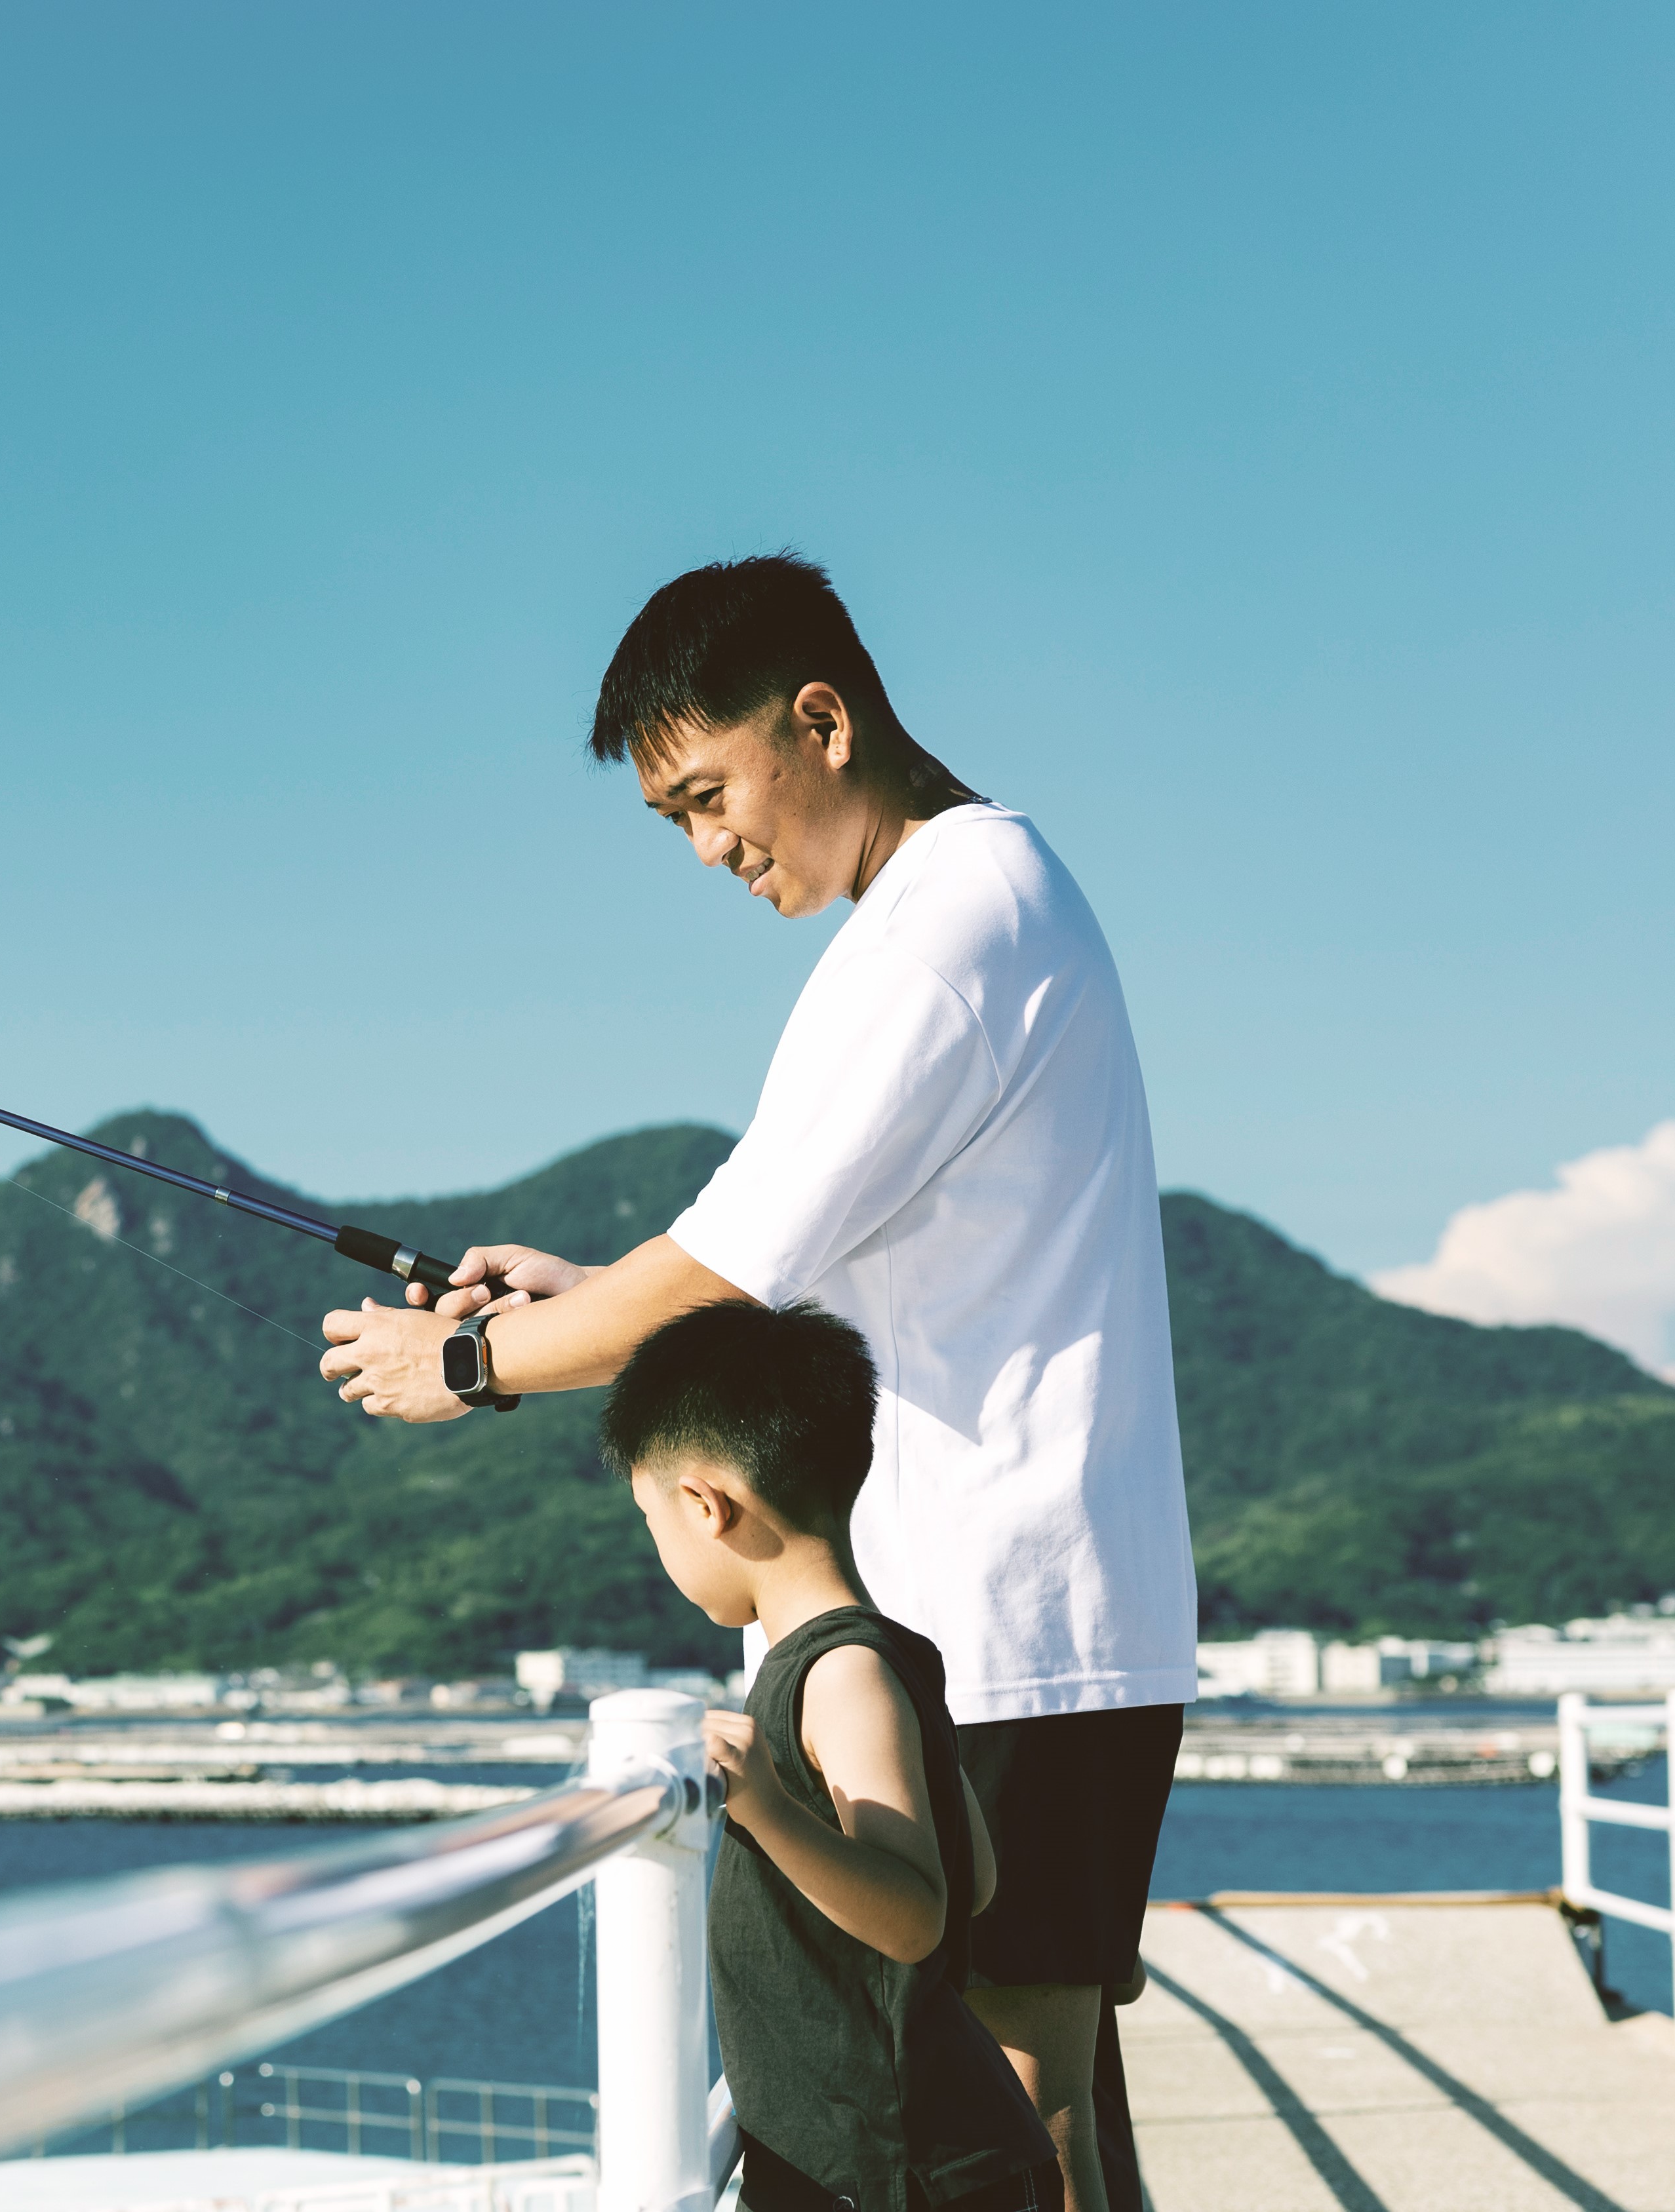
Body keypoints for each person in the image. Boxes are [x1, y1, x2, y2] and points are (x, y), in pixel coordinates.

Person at [316, 553, 1193, 2212]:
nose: (712, 845)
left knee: (1024, 2102)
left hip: (1005, 1609)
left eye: (711, 793)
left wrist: (473, 1361)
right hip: (1018, 1604)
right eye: (674, 820)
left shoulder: (941, 932)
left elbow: (726, 1269)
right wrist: (590, 1297)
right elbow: (777, 1252)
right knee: (1046, 2087)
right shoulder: (963, 912)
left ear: (823, 718)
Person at [614, 1300, 1054, 2212]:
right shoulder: (881, 1656)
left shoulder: (840, 1673)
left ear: (706, 1505)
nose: (661, 1551)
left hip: (897, 2168)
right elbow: (971, 1882)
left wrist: (766, 1809)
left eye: (653, 1522)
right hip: (900, 2158)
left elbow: (918, 1916)